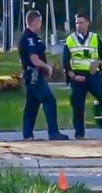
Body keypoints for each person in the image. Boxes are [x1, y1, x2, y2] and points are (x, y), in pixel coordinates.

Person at [62, 13, 102, 139]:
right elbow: (65, 62)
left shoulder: (95, 38)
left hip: (93, 76)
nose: (78, 25)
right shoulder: (70, 39)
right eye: (77, 22)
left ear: (87, 23)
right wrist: (73, 76)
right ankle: (79, 133)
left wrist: (98, 63)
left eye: (81, 22)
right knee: (78, 106)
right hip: (78, 77)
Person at [18, 10, 69, 141]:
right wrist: (47, 67)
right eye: (40, 21)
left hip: (34, 75)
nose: (41, 24)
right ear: (34, 21)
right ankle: (53, 132)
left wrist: (46, 68)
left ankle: (27, 134)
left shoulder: (34, 37)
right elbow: (34, 59)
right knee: (48, 100)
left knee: (32, 105)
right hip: (34, 74)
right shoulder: (29, 38)